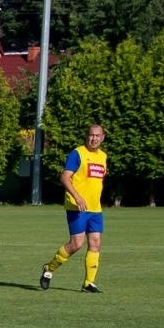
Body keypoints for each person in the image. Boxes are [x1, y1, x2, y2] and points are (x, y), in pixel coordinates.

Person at [39, 123, 108, 293]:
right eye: (91, 135)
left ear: (103, 137)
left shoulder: (103, 156)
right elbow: (64, 177)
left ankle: (88, 283)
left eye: (97, 136)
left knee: (96, 243)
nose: (94, 138)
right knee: (76, 244)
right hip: (77, 207)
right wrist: (77, 196)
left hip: (95, 209)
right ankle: (49, 269)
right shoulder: (77, 153)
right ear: (87, 136)